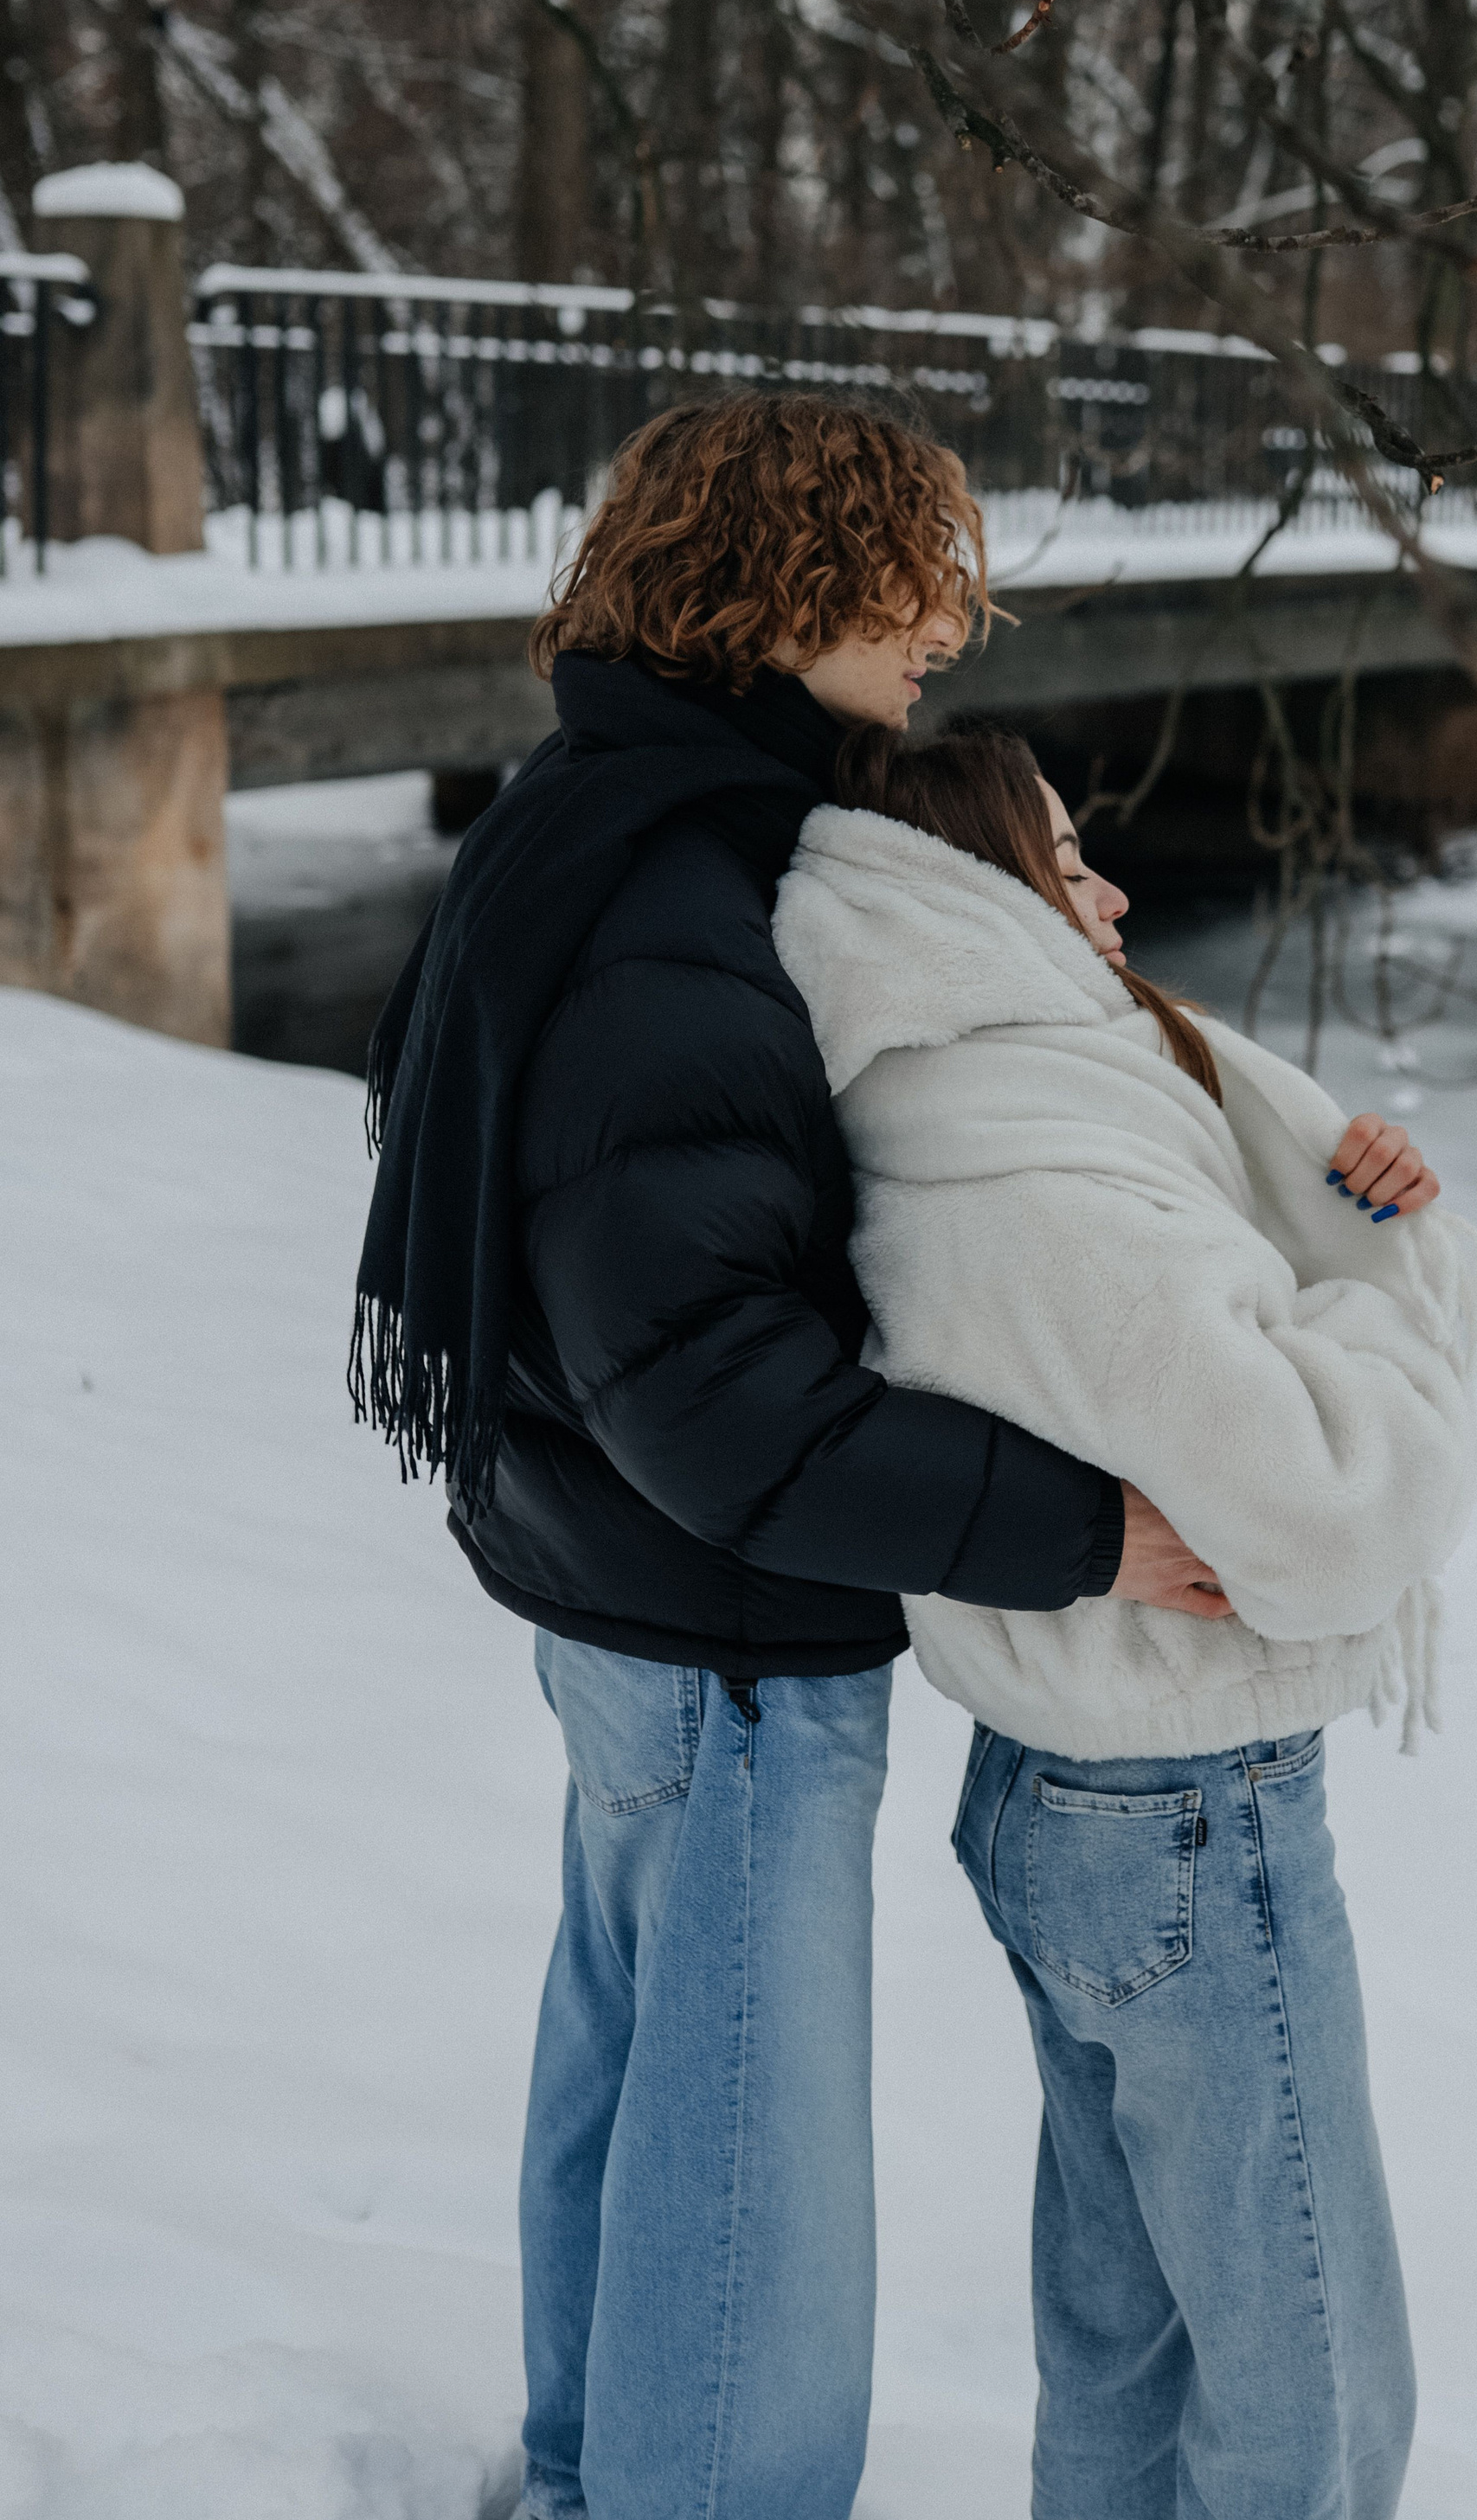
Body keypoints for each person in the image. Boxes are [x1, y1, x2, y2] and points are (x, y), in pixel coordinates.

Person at [349, 395, 1223, 2520]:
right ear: (782, 581)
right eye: (905, 570)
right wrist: (1084, 1529)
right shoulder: (690, 878)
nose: (950, 620)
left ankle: (583, 2473)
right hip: (719, 1626)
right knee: (748, 2165)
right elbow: (717, 1387)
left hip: (606, 1589)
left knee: (638, 2071)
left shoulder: (593, 806)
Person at [773, 720, 1477, 2520]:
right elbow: (1327, 1495)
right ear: (967, 898)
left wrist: (1352, 1197)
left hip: (1063, 1781)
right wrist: (1392, 1284)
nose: (1103, 887)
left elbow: (1211, 1314)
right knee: (1307, 2379)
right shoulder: (1046, 1179)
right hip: (1184, 1801)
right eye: (1061, 855)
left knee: (1131, 2342)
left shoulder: (951, 1103)